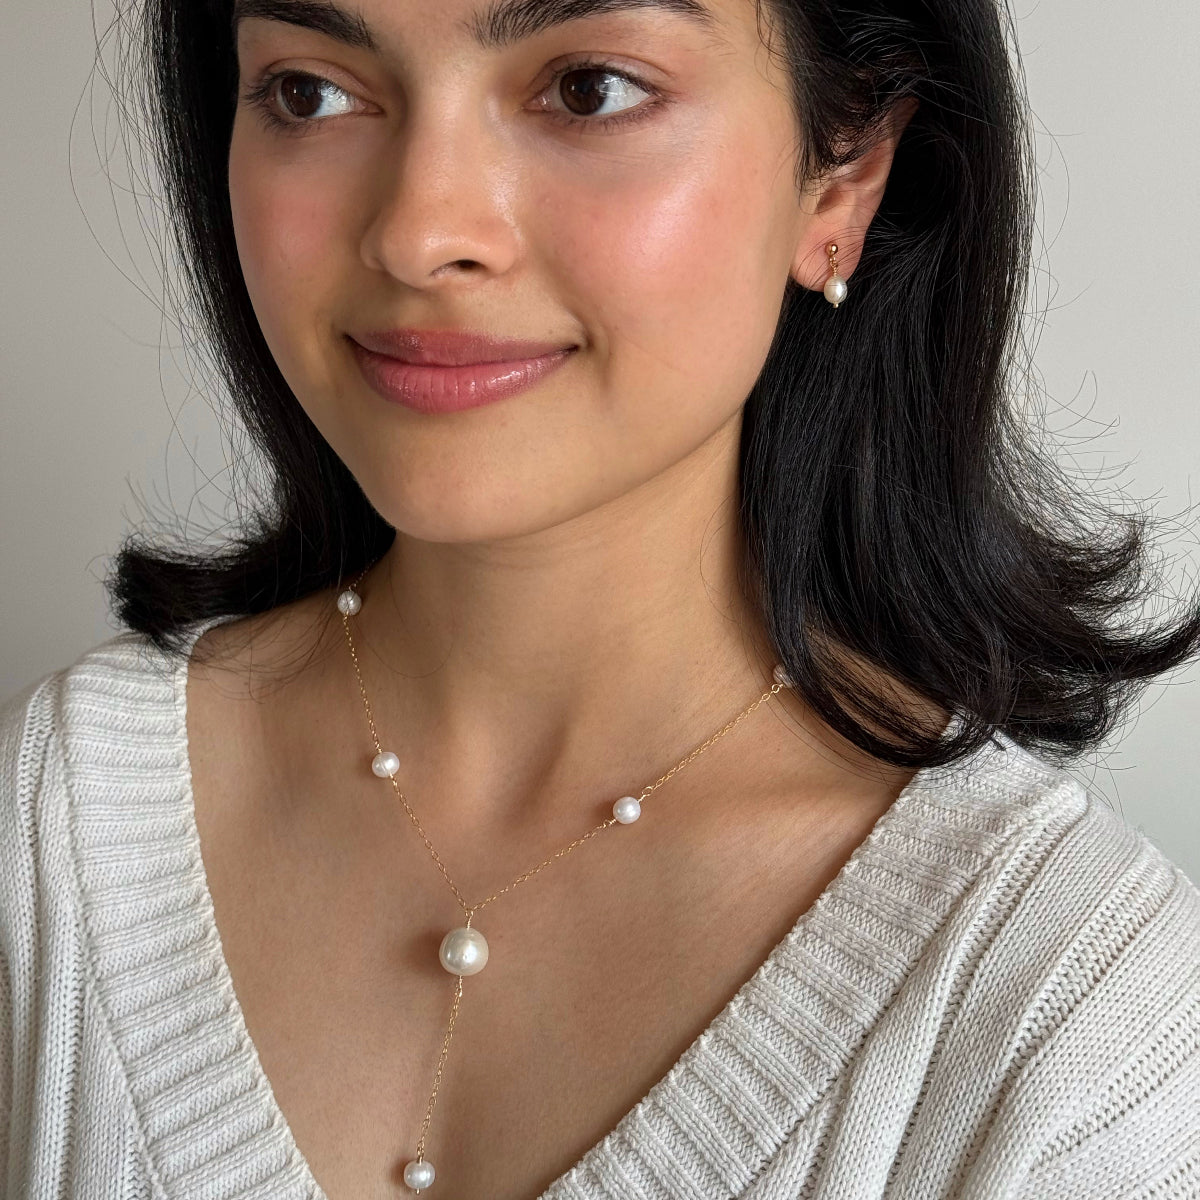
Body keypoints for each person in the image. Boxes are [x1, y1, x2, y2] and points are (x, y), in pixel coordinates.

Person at [2, 0, 1198, 1194]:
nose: (420, 234)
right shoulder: (44, 831)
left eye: (588, 89)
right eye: (308, 92)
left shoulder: (1078, 1028)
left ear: (843, 180)